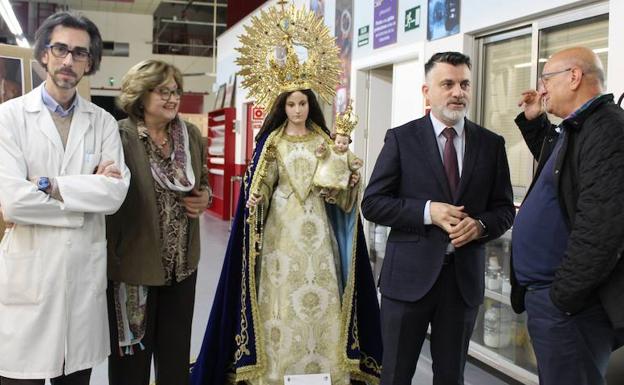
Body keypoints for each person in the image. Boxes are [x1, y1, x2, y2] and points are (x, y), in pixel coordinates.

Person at [191, 4, 382, 385]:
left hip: (316, 229)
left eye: (303, 102)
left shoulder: (324, 141)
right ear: (282, 106)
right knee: (279, 297)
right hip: (280, 230)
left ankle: (324, 366)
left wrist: (346, 184)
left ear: (311, 103)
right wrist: (256, 198)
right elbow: (260, 181)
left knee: (321, 292)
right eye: (291, 103)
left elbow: (339, 184)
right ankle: (275, 369)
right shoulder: (273, 142)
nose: (297, 109)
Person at [361, 51, 515, 385]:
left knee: (450, 377)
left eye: (464, 84)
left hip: (462, 284)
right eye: (447, 84)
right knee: (395, 374)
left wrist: (481, 226)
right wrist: (427, 211)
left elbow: (504, 209)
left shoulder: (491, 144)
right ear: (427, 91)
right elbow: (372, 204)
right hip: (407, 281)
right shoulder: (402, 139)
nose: (458, 92)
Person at [0, 11, 130, 385]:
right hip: (28, 283)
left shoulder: (103, 122)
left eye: (80, 53)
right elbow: (15, 202)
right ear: (44, 54)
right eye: (60, 49)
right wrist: (80, 201)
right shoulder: (10, 118)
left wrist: (51, 186)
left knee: (74, 378)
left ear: (90, 62)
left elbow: (114, 194)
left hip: (81, 287)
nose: (69, 60)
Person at [512, 46, 624, 385]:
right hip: (553, 299)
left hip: (569, 305)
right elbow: (559, 171)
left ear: (574, 77)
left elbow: (603, 228)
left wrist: (564, 296)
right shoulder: (577, 129)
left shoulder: (607, 130)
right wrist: (535, 122)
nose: (541, 89)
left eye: (546, 79)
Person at [105, 59, 211, 385]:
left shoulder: (189, 134)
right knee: (131, 365)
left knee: (175, 361)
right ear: (140, 93)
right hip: (134, 271)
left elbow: (202, 180)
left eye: (176, 90)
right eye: (162, 91)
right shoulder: (119, 136)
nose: (172, 98)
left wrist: (204, 196)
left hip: (182, 268)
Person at [313, 103, 363, 203]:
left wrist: (356, 167)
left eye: (344, 143)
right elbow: (321, 155)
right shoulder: (328, 147)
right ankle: (325, 191)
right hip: (327, 175)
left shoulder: (348, 153)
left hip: (341, 178)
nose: (341, 145)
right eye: (338, 142)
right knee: (325, 182)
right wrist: (321, 151)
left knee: (338, 187)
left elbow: (352, 164)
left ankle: (332, 196)